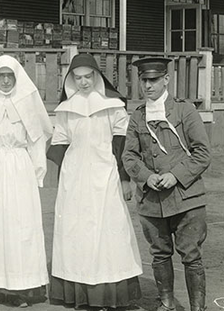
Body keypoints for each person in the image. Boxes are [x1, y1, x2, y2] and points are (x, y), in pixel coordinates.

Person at [48, 53, 142, 310]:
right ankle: (79, 292)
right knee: (75, 231)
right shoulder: (66, 109)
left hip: (105, 174)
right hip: (75, 177)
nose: (83, 82)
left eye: (88, 77)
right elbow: (59, 143)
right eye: (77, 78)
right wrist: (64, 175)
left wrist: (124, 179)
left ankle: (109, 293)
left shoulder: (112, 105)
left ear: (97, 77)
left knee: (108, 231)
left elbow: (122, 145)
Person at [123, 57, 211, 311]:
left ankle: (197, 308)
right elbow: (129, 155)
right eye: (144, 80)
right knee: (160, 254)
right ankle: (166, 303)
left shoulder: (184, 111)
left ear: (166, 80)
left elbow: (202, 152)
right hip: (152, 201)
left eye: (154, 80)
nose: (148, 86)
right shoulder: (138, 116)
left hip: (187, 198)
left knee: (191, 255)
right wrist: (145, 176)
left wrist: (176, 175)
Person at [0, 56, 52, 308]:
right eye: (1, 76)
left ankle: (20, 289)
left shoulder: (27, 102)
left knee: (19, 226)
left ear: (17, 78)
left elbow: (37, 139)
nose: (5, 80)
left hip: (18, 167)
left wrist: (37, 172)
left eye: (10, 76)